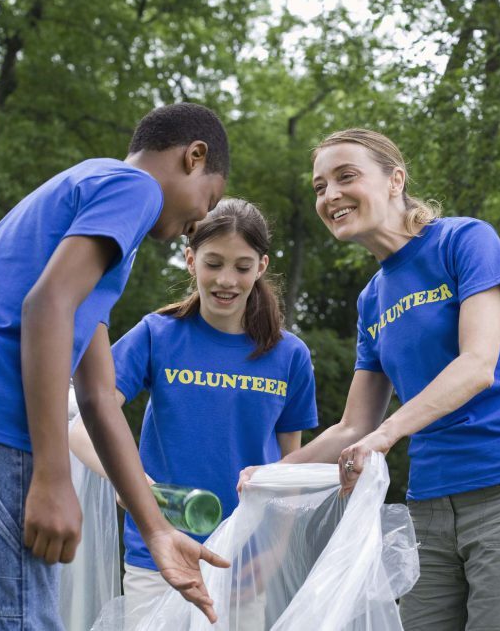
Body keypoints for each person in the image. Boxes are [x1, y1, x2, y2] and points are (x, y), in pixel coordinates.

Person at [0, 103, 232, 631]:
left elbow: (97, 394)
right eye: (211, 197)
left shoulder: (89, 208)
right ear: (193, 157)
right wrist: (53, 475)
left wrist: (155, 528)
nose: (201, 219)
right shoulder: (133, 188)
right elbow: (45, 308)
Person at [241, 128, 500, 629]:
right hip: (429, 511)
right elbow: (354, 425)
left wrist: (387, 435)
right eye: (320, 186)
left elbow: (477, 364)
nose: (331, 196)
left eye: (346, 177)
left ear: (395, 180)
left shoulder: (463, 241)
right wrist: (273, 473)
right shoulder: (372, 299)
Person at [70, 198, 318, 616]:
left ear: (261, 267)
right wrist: (138, 488)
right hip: (158, 557)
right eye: (213, 263)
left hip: (243, 560)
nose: (226, 279)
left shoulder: (290, 355)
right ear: (190, 260)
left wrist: (273, 553)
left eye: (241, 267)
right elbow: (81, 427)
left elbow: (291, 469)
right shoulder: (157, 334)